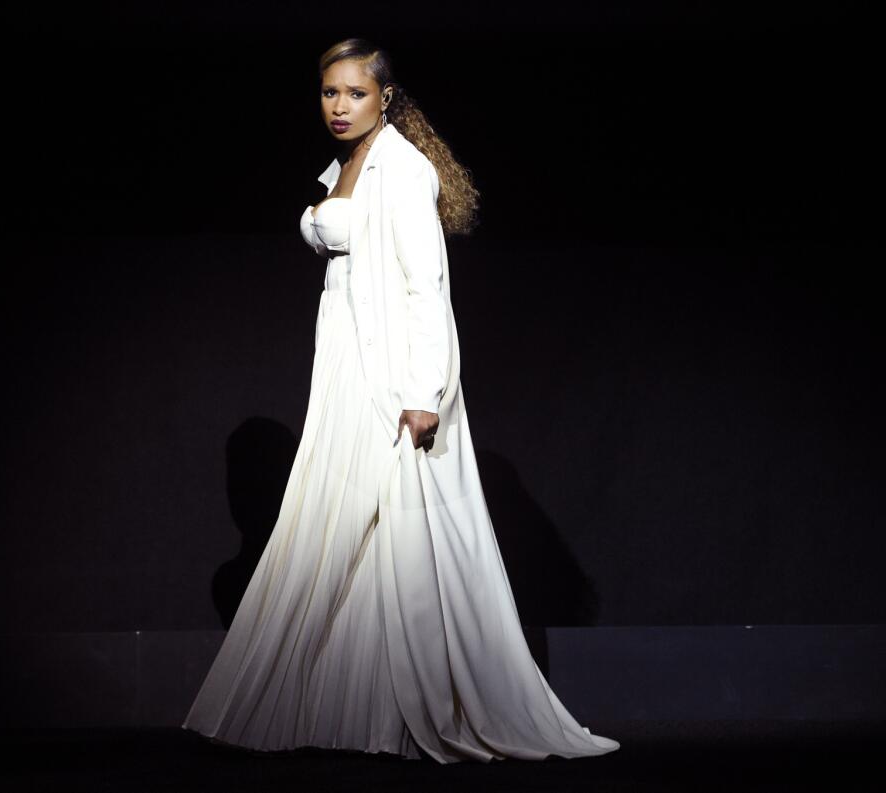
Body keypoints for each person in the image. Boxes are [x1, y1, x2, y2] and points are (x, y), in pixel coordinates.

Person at [181, 38, 621, 764]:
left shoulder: (404, 169)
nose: (340, 106)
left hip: (394, 378)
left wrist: (425, 394)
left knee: (406, 534)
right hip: (346, 370)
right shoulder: (348, 165)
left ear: (386, 97)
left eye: (355, 93)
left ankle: (433, 699)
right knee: (356, 527)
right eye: (329, 93)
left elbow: (427, 286)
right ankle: (353, 698)